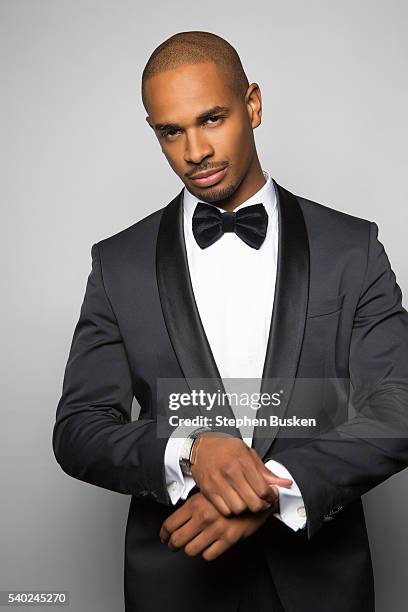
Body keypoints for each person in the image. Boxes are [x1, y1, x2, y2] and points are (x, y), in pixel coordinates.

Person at [52, 31, 408, 612]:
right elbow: (78, 429)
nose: (194, 151)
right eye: (172, 131)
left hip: (320, 584)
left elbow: (399, 404)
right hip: (176, 578)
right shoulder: (117, 263)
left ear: (254, 106)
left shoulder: (352, 248)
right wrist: (190, 451)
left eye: (212, 118)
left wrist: (269, 493)